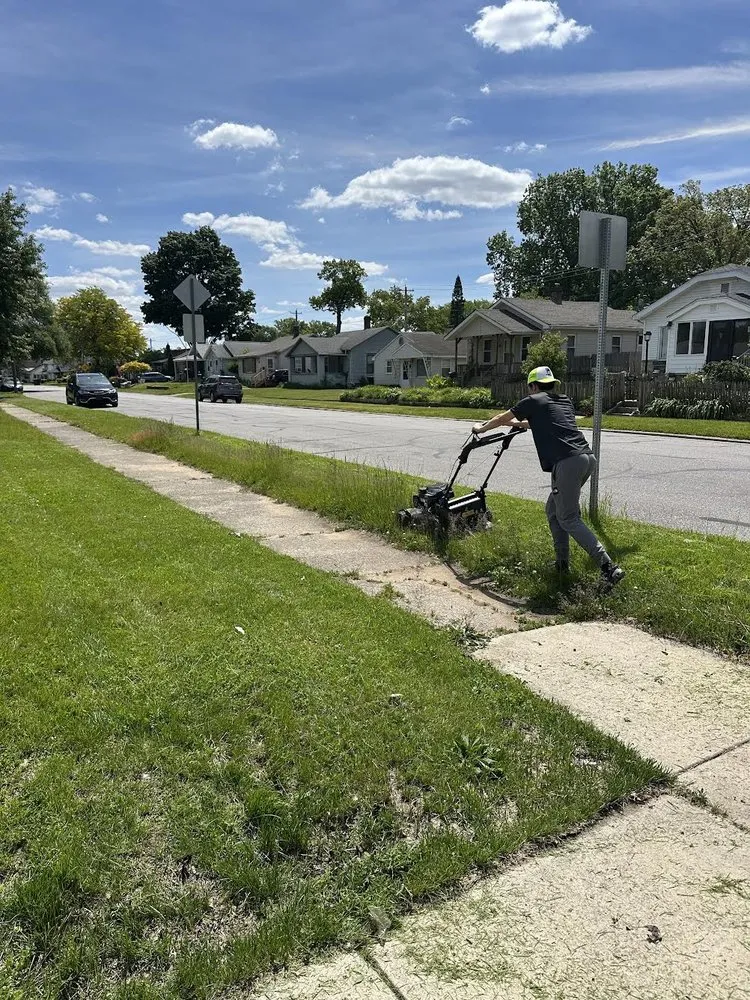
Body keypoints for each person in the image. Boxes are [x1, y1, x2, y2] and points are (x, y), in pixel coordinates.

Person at [472, 366, 624, 587]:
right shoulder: (563, 401)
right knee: (554, 510)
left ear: (533, 386)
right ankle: (562, 564)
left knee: (569, 518)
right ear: (552, 384)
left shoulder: (532, 401)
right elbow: (535, 422)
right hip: (586, 458)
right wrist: (512, 424)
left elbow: (501, 416)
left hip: (567, 462)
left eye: (530, 387)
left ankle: (608, 567)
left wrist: (481, 428)